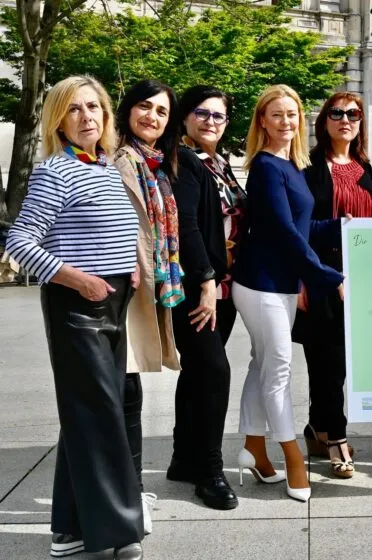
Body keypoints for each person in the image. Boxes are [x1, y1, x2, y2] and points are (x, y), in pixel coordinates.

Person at [5, 75, 144, 559]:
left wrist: (130, 267)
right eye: (74, 109)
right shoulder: (55, 171)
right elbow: (19, 242)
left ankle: (68, 530)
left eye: (94, 107)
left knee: (88, 413)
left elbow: (110, 229)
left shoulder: (104, 166)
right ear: (58, 121)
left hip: (114, 303)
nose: (87, 117)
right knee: (101, 415)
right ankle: (119, 531)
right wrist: (79, 279)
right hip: (78, 309)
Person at [232, 85, 344, 502]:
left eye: (292, 114)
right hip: (260, 284)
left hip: (281, 285)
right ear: (262, 121)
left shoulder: (291, 165)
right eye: (276, 114)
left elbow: (301, 226)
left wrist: (341, 226)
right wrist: (328, 277)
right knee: (278, 370)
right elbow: (283, 234)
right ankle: (293, 456)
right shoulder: (265, 166)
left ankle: (253, 448)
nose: (285, 121)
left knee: (262, 364)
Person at [295, 92, 372, 479]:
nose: (345, 119)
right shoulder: (308, 167)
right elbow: (298, 227)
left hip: (361, 277)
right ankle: (337, 440)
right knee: (327, 364)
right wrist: (304, 276)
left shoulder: (365, 167)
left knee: (339, 365)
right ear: (324, 121)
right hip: (321, 274)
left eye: (354, 114)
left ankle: (317, 428)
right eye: (337, 113)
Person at [167, 85, 245, 511]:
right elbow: (186, 226)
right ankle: (210, 471)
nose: (210, 121)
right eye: (201, 113)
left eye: (218, 115)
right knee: (214, 371)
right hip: (199, 287)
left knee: (198, 371)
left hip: (223, 286)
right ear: (184, 117)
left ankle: (183, 457)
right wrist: (205, 281)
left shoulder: (219, 163)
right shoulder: (184, 161)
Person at [114, 79, 183, 536]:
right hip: (120, 290)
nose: (152, 117)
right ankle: (127, 493)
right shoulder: (118, 159)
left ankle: (130, 488)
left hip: (145, 284)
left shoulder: (155, 165)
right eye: (144, 106)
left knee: (129, 391)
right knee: (122, 393)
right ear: (127, 110)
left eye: (161, 111)